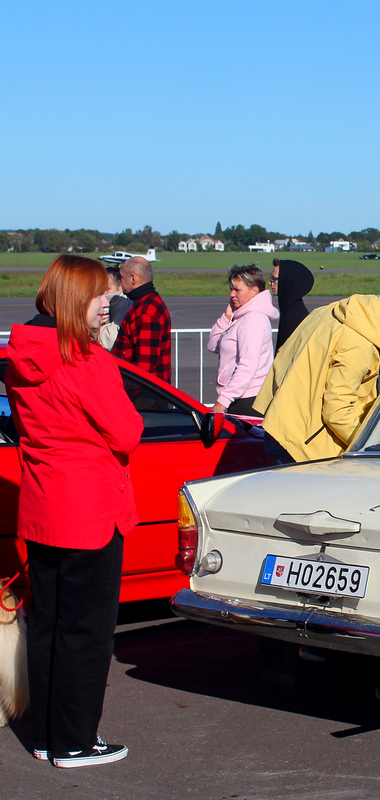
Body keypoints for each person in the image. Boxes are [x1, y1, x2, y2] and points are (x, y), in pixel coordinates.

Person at [7, 255, 142, 768]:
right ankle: (74, 741)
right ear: (73, 300)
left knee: (49, 627)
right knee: (86, 632)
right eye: (99, 295)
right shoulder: (85, 363)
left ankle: (46, 734)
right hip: (89, 510)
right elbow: (127, 432)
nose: (108, 304)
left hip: (43, 505)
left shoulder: (23, 355)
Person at [253, 284, 380, 463]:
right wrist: (369, 445)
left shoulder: (331, 312)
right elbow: (337, 412)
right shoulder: (360, 344)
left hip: (279, 425)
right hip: (301, 443)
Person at [206, 264, 279, 415]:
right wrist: (226, 318)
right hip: (238, 397)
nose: (232, 294)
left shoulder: (252, 321)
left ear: (254, 291)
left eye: (237, 290)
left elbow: (247, 366)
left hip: (248, 400)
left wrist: (222, 402)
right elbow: (213, 345)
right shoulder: (241, 317)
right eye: (231, 289)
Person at [112, 256, 172, 381]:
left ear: (133, 279)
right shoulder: (147, 303)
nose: (120, 282)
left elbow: (145, 366)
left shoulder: (146, 311)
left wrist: (130, 393)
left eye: (121, 277)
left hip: (145, 396)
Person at [270, 258, 314, 354]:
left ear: (286, 281)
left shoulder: (294, 318)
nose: (270, 283)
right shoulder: (290, 310)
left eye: (274, 279)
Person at [95, 267, 130, 351]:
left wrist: (98, 327)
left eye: (107, 289)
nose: (104, 294)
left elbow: (110, 340)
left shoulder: (124, 304)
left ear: (120, 286)